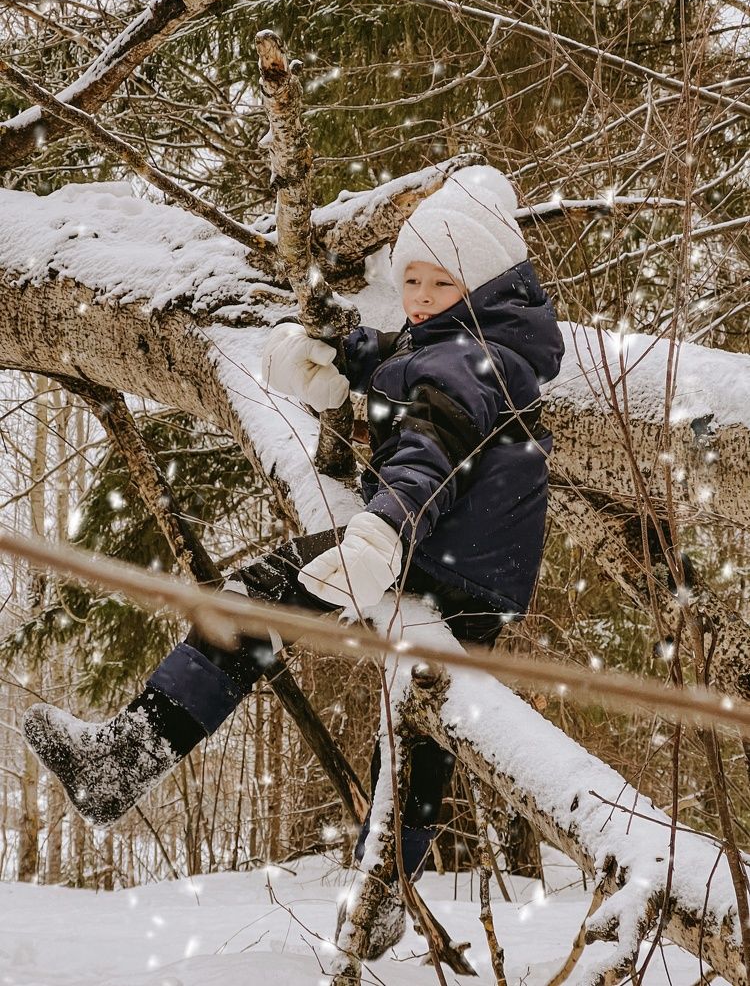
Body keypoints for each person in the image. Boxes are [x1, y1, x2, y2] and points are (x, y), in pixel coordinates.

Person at [23, 165, 564, 945]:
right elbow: (402, 361)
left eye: (438, 282)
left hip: (428, 550)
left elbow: (430, 452)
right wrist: (343, 360)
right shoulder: (479, 349)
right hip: (475, 574)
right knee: (414, 730)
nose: (416, 297)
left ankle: (127, 758)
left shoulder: (466, 365)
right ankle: (387, 892)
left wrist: (383, 530)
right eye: (409, 278)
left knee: (255, 600)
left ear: (479, 285)